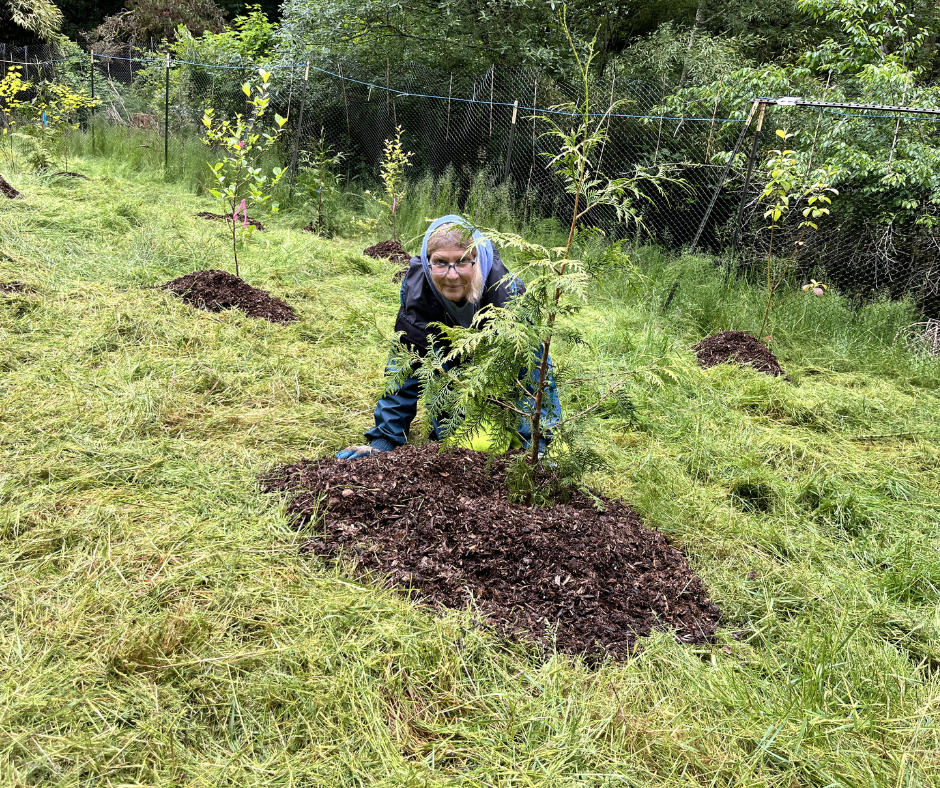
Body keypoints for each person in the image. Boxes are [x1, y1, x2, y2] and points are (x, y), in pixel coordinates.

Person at [337, 214, 561, 460]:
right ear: (427, 261)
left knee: (489, 441)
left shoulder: (507, 294)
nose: (452, 275)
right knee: (453, 441)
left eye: (463, 262)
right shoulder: (417, 291)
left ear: (476, 260)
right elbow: (404, 365)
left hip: (498, 384)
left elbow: (532, 373)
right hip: (450, 371)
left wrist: (538, 448)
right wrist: (383, 442)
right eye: (441, 262)